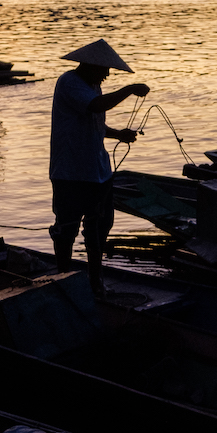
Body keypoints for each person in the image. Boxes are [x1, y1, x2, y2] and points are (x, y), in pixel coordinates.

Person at [49, 38, 149, 294]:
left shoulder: (93, 86)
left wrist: (117, 134)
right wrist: (128, 89)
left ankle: (96, 283)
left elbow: (93, 122)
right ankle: (64, 280)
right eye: (104, 69)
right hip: (71, 172)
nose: (106, 74)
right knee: (67, 229)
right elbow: (95, 107)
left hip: (98, 172)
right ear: (90, 65)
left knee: (98, 228)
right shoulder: (69, 82)